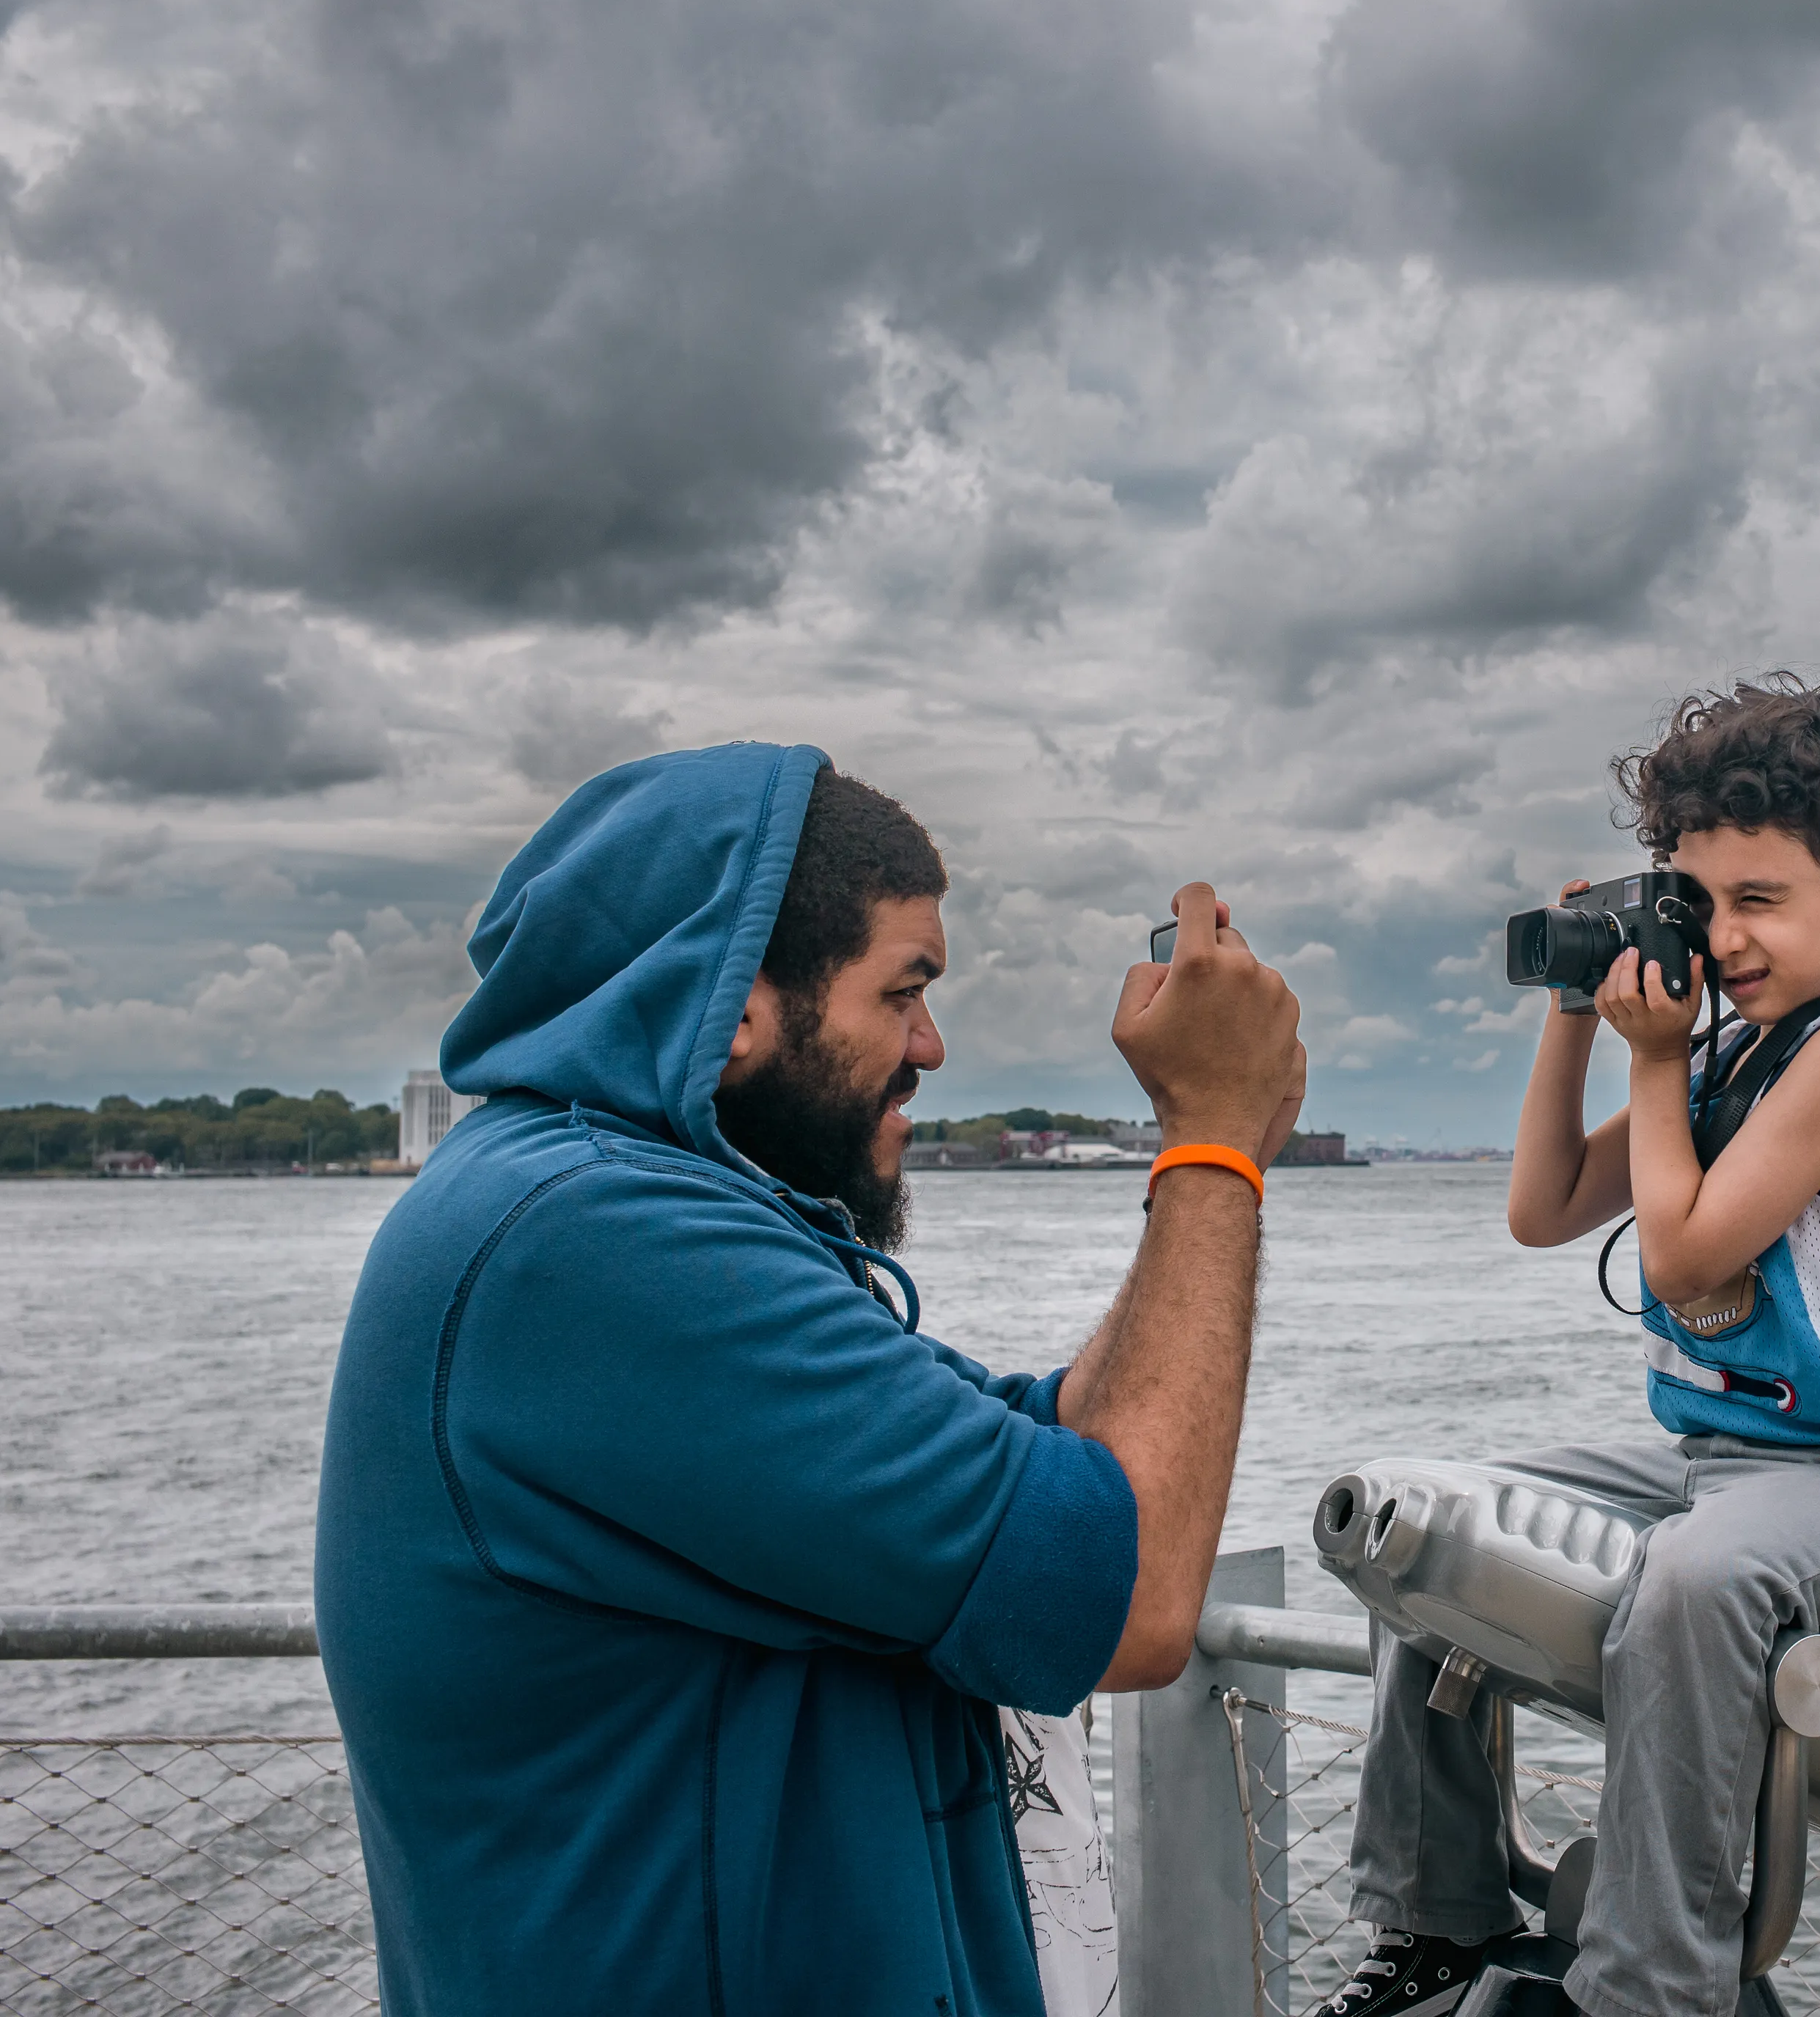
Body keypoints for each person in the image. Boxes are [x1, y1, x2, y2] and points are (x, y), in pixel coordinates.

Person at [315, 742, 1305, 2016]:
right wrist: (1210, 1146)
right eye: (904, 993)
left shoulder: (607, 1212)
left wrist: (1217, 1150)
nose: (933, 1047)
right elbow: (1134, 1602)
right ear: (734, 1003)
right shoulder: (586, 1250)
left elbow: (1050, 1442)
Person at [1316, 675, 1820, 2017]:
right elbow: (1543, 1208)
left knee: (1694, 1581)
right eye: (1701, 903)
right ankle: (1432, 1917)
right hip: (1723, 1466)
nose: (1727, 939)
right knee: (1440, 1519)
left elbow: (1686, 1257)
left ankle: (1649, 1989)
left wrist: (1652, 1059)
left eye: (1760, 901)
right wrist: (1578, 1011)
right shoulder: (1722, 1061)